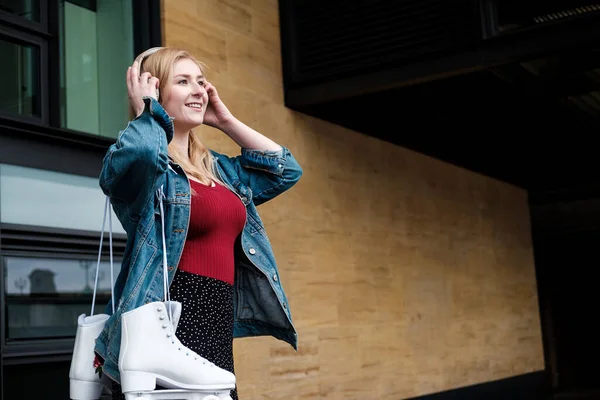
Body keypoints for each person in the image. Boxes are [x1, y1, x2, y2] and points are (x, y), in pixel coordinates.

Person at [93, 47, 302, 400]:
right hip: (168, 320)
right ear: (155, 90)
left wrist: (225, 122)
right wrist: (148, 111)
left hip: (216, 319)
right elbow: (145, 152)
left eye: (201, 82)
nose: (198, 90)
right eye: (183, 81)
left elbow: (286, 170)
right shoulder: (148, 168)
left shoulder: (220, 170)